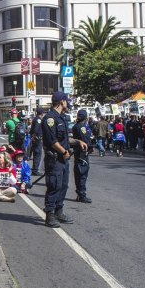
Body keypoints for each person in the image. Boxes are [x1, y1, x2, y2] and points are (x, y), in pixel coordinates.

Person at [41, 91, 87, 228]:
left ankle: (58, 212)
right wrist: (64, 151)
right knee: (54, 185)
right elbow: (52, 141)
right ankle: (49, 215)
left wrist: (78, 141)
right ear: (62, 102)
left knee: (64, 185)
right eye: (66, 101)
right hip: (54, 159)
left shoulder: (61, 118)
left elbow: (65, 139)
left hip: (63, 159)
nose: (67, 104)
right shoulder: (50, 118)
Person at [72, 109, 93, 204]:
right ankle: (82, 194)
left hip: (78, 151)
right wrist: (90, 147)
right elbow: (85, 139)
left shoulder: (76, 126)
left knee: (78, 173)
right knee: (82, 173)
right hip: (82, 152)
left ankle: (79, 193)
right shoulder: (82, 127)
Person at [29, 108, 44, 175]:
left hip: (35, 139)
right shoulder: (38, 120)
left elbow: (32, 130)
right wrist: (35, 137)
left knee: (36, 154)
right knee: (37, 154)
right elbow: (36, 129)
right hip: (37, 139)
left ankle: (34, 169)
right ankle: (35, 170)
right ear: (42, 113)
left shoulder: (35, 119)